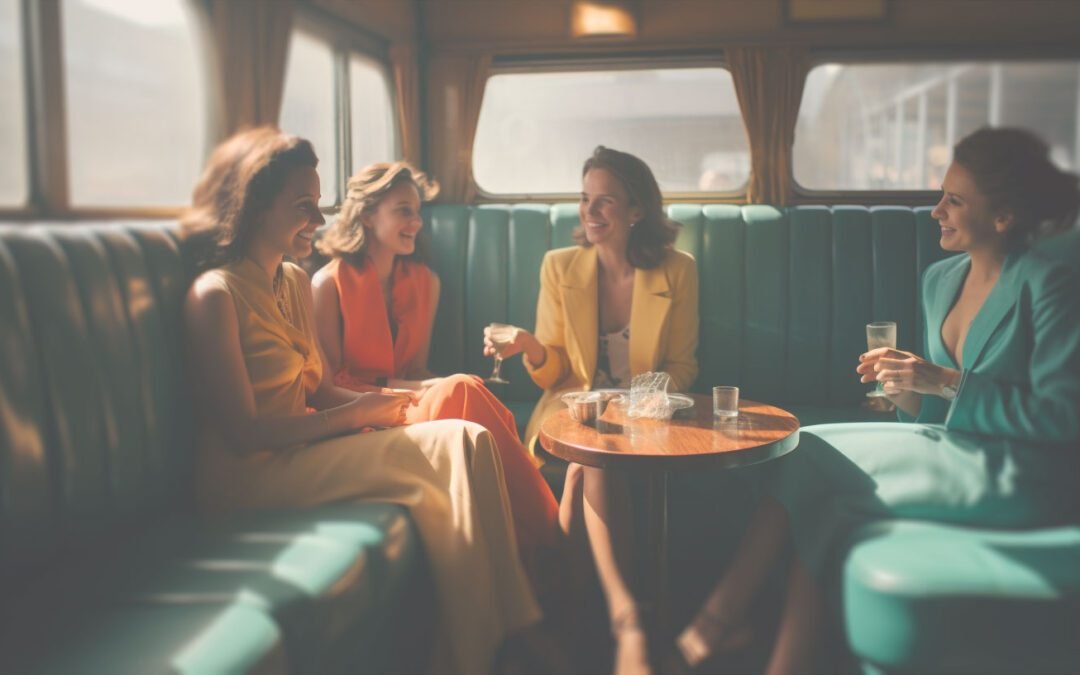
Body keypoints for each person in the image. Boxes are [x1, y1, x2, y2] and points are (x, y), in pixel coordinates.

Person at [669, 127, 1080, 675]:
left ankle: (715, 624)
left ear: (1003, 218)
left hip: (1022, 474)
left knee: (808, 453)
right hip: (954, 449)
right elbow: (935, 415)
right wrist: (907, 389)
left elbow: (1064, 415)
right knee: (815, 481)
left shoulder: (1048, 282)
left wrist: (944, 380)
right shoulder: (941, 279)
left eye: (954, 201)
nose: (936, 211)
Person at [180, 127, 540, 675]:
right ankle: (497, 647)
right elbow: (242, 434)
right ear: (256, 205)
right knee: (451, 438)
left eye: (319, 205)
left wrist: (383, 409)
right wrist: (354, 415)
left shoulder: (293, 283)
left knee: (465, 437)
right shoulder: (215, 295)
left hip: (301, 454)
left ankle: (492, 641)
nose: (319, 222)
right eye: (303, 206)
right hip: (247, 477)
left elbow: (321, 388)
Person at [488, 146, 700, 675]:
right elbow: (555, 370)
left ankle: (586, 622)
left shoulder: (679, 270)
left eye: (606, 201)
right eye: (586, 199)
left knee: (588, 468)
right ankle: (626, 619)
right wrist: (530, 347)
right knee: (589, 452)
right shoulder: (559, 267)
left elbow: (682, 366)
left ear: (636, 210)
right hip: (570, 411)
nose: (590, 211)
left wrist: (632, 403)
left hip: (643, 414)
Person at [310, 161, 562, 602]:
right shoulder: (326, 284)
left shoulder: (426, 283)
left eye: (418, 211)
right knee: (463, 389)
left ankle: (534, 560)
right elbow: (327, 385)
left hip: (407, 405)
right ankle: (552, 539)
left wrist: (431, 385)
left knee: (463, 389)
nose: (417, 222)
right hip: (354, 416)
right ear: (368, 215)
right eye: (403, 211)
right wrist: (427, 388)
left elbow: (419, 370)